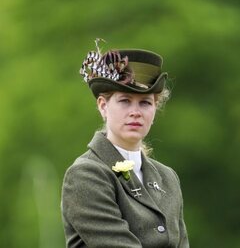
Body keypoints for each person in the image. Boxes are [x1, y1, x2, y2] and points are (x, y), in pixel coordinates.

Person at [61, 39, 189, 248]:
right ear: (103, 106)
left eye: (146, 102)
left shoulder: (168, 178)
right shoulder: (86, 175)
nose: (135, 112)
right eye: (124, 101)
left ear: (155, 109)